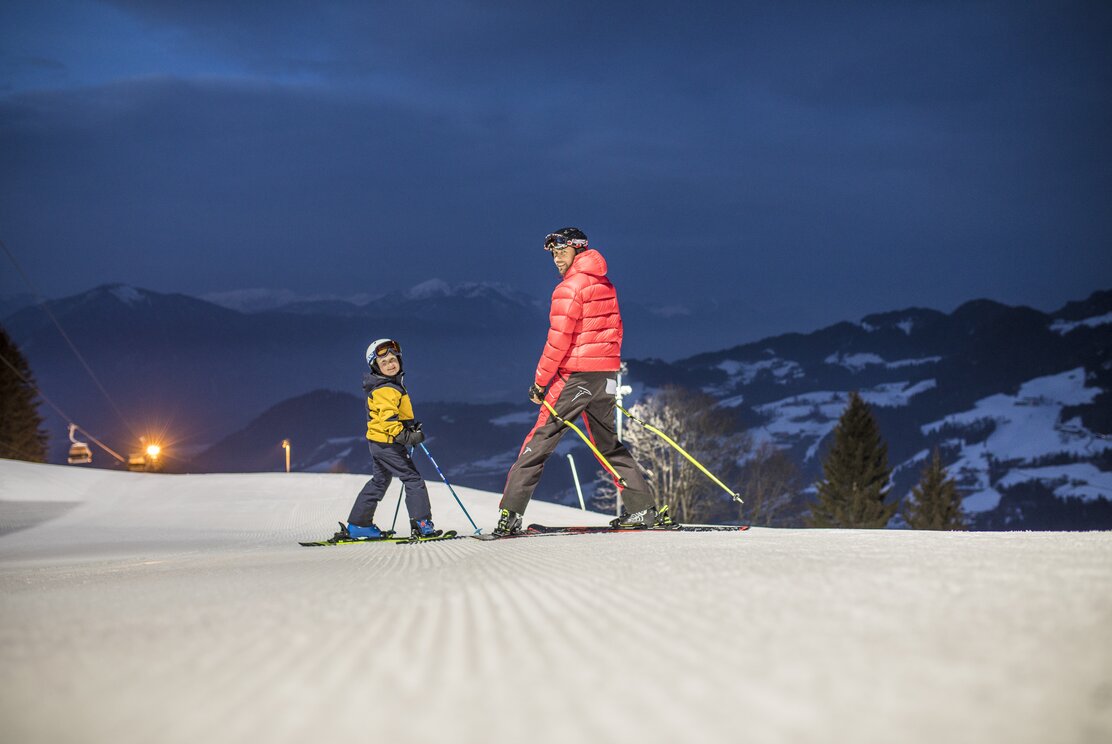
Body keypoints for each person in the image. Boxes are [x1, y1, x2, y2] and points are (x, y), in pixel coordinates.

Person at [493, 227, 667, 537]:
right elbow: (615, 331)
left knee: (540, 440)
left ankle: (511, 514)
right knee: (607, 444)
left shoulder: (569, 288)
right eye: (553, 254)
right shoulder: (605, 284)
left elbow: (557, 342)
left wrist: (539, 382)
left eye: (561, 251)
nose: (556, 258)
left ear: (577, 250)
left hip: (575, 377)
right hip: (606, 376)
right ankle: (642, 508)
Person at [344, 338, 441, 539]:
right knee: (413, 479)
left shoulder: (388, 385)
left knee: (380, 481)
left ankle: (359, 525)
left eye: (393, 359)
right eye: (384, 362)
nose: (390, 364)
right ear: (376, 367)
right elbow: (388, 421)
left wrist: (408, 425)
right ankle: (422, 524)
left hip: (379, 443)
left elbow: (390, 415)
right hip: (388, 444)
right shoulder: (386, 389)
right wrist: (407, 436)